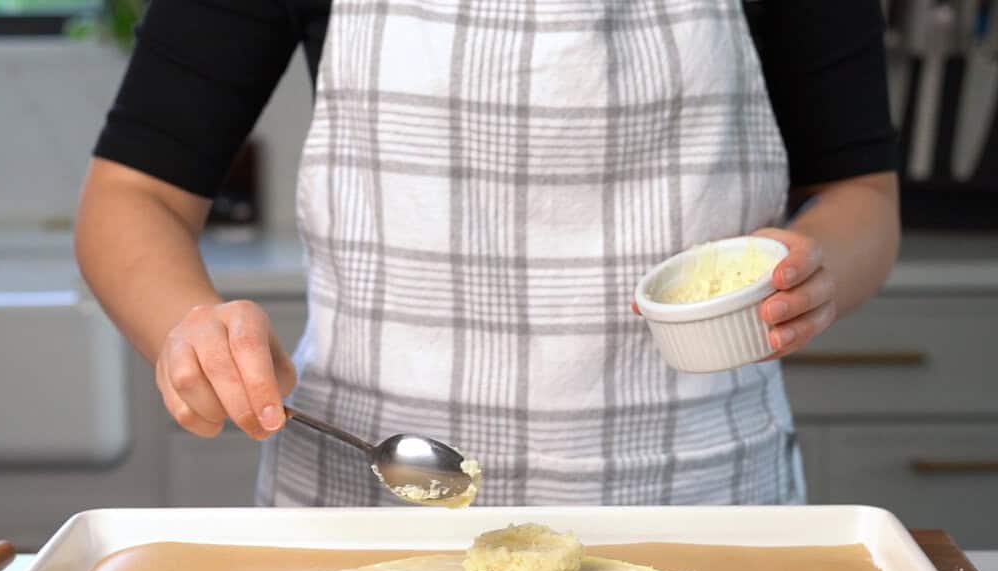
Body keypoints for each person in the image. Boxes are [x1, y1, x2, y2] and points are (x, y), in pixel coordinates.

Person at [75, 0, 900, 507]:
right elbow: (130, 200)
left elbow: (865, 200)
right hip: (370, 502)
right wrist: (191, 325)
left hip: (702, 497)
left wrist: (814, 265)